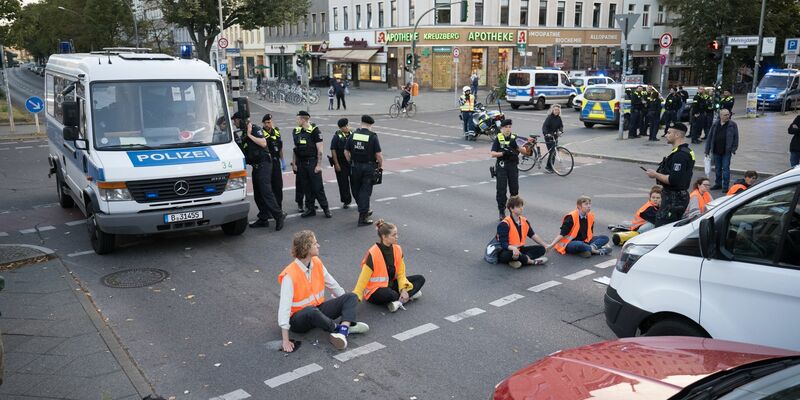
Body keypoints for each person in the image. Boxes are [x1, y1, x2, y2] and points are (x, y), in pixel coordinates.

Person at [278, 230, 369, 352]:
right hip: (298, 320)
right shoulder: (289, 275)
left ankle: (344, 330)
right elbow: (284, 308)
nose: (318, 245)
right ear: (307, 248)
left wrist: (347, 306)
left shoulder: (316, 263)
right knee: (311, 311)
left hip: (318, 310)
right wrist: (285, 340)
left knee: (351, 296)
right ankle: (338, 329)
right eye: (315, 243)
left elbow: (333, 284)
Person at [352, 220, 425, 313]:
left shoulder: (397, 249)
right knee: (390, 294)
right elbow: (363, 279)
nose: (397, 237)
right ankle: (406, 297)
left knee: (420, 279)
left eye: (396, 234)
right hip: (375, 291)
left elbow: (401, 273)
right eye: (394, 235)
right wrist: (356, 296)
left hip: (390, 284)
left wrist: (403, 289)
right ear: (384, 237)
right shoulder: (373, 253)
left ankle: (399, 301)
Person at [234, 112, 286, 230]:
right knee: (258, 194)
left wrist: (249, 135)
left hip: (264, 164)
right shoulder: (243, 134)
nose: (234, 123)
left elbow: (263, 143)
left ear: (241, 120)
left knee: (266, 192)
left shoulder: (254, 129)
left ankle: (279, 216)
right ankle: (263, 218)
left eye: (235, 120)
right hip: (256, 166)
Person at [645, 122, 695, 226]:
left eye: (669, 132)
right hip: (675, 197)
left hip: (674, 199)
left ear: (677, 135)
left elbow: (673, 180)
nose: (666, 135)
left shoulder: (680, 155)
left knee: (663, 227)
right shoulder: (683, 151)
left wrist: (655, 174)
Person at [345, 115, 384, 226]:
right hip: (368, 167)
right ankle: (363, 217)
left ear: (361, 123)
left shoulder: (353, 135)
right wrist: (380, 165)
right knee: (365, 192)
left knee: (356, 190)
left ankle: (364, 208)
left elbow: (346, 152)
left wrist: (350, 161)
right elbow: (378, 155)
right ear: (370, 125)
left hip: (355, 167)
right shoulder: (372, 137)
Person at [292, 111, 331, 218]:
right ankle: (310, 208)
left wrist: (318, 165)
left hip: (312, 162)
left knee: (318, 187)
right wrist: (294, 164)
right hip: (301, 163)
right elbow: (295, 149)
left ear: (303, 119)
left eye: (297, 118)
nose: (296, 121)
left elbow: (320, 150)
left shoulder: (315, 131)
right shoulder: (296, 131)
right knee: (306, 187)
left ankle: (325, 208)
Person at [496, 196, 549, 268]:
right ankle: (531, 262)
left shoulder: (524, 221)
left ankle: (519, 260)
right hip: (507, 251)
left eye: (521, 206)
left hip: (520, 249)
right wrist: (513, 248)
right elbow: (503, 244)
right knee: (509, 254)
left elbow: (532, 235)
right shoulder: (504, 224)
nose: (521, 208)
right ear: (511, 209)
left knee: (541, 249)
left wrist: (545, 245)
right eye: (518, 206)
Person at [490, 119, 520, 221]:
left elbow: (525, 151)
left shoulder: (515, 138)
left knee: (514, 190)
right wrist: (503, 153)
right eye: (505, 127)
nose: (508, 129)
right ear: (501, 129)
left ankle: (514, 211)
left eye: (509, 127)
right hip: (502, 167)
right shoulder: (498, 138)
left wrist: (522, 147)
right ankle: (501, 211)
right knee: (501, 190)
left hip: (512, 166)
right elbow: (493, 153)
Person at [704, 108, 738, 192]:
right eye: (725, 115)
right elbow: (710, 137)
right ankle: (718, 184)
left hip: (726, 151)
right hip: (716, 150)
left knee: (726, 168)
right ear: (721, 116)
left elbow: (736, 137)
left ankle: (725, 186)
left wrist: (733, 149)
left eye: (728, 114)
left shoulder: (732, 124)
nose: (728, 116)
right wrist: (707, 150)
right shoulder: (715, 124)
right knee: (717, 168)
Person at [262, 114, 285, 212]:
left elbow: (279, 148)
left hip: (275, 162)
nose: (268, 124)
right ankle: (269, 210)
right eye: (266, 122)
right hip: (267, 162)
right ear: (263, 123)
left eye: (269, 122)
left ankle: (279, 208)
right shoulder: (261, 133)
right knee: (268, 188)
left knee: (278, 186)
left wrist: (282, 160)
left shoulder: (276, 132)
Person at [330, 118, 353, 209]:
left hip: (351, 162)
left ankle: (358, 199)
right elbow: (333, 150)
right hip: (341, 162)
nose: (348, 127)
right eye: (346, 126)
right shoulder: (337, 136)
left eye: (348, 125)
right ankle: (346, 201)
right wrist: (336, 164)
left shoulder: (352, 134)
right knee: (343, 183)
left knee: (355, 182)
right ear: (342, 128)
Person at [541, 104, 563, 173]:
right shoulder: (549, 118)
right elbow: (544, 127)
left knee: (554, 152)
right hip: (548, 136)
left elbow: (561, 126)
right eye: (555, 110)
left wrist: (560, 131)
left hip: (555, 136)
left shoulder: (559, 118)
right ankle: (548, 167)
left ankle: (551, 167)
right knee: (552, 151)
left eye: (558, 110)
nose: (556, 111)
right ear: (552, 110)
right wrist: (546, 134)